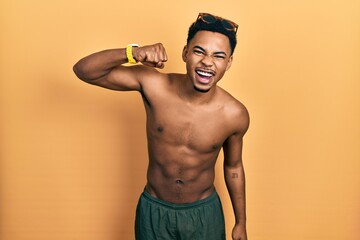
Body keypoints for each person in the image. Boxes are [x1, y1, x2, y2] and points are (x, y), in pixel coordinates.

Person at [73, 12, 249, 240]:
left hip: (204, 214)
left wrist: (241, 223)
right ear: (185, 53)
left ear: (229, 62)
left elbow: (233, 167)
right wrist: (133, 53)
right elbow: (84, 70)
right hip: (154, 211)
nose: (207, 62)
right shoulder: (155, 85)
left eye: (218, 56)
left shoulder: (235, 114)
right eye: (199, 51)